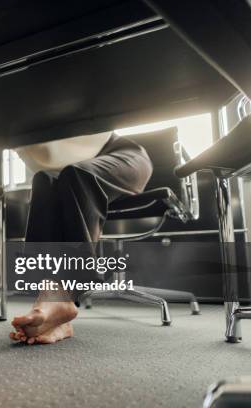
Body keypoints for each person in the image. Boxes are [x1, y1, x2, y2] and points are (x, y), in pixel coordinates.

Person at [9, 131, 153, 345]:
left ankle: (64, 294)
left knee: (78, 174)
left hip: (123, 155)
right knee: (43, 180)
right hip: (75, 170)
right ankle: (56, 311)